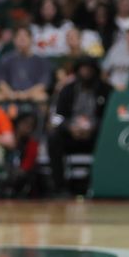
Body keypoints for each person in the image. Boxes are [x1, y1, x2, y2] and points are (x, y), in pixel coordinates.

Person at [48, 57, 111, 195]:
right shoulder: (67, 90)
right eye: (83, 69)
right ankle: (59, 186)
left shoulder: (106, 90)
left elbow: (110, 118)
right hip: (71, 134)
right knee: (53, 138)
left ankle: (100, 184)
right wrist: (69, 127)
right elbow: (57, 117)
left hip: (96, 135)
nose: (86, 72)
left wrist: (93, 128)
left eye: (89, 69)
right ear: (77, 71)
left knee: (111, 136)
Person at [0, 26, 53, 105]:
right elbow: (0, 81)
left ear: (31, 39)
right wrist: (11, 94)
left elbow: (43, 84)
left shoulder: (41, 61)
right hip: (11, 94)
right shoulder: (6, 59)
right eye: (19, 36)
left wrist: (26, 94)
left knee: (42, 97)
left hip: (32, 94)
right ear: (14, 40)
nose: (22, 39)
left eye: (25, 36)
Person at [101, 16, 129, 91]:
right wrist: (111, 86)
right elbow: (104, 73)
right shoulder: (116, 49)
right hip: (113, 91)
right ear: (126, 34)